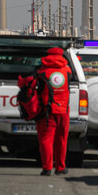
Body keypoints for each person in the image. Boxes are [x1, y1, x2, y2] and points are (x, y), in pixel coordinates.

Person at [35, 47, 72, 176]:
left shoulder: (43, 71)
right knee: (62, 139)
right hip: (64, 110)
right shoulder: (67, 70)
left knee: (46, 139)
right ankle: (61, 167)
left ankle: (47, 168)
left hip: (47, 110)